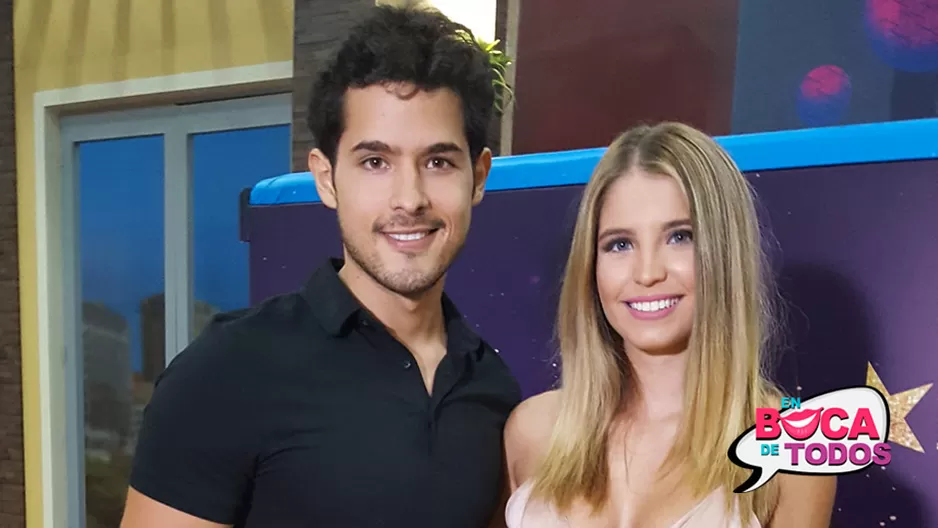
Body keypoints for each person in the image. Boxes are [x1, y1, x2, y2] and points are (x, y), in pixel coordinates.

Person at [120, 5, 521, 527]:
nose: (409, 198)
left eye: (438, 162)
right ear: (327, 179)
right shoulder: (226, 371)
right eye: (375, 162)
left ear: (479, 177)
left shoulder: (491, 388)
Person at [502, 123, 837, 527]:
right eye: (620, 244)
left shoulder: (793, 444)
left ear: (724, 253)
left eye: (680, 237)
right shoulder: (532, 431)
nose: (647, 273)